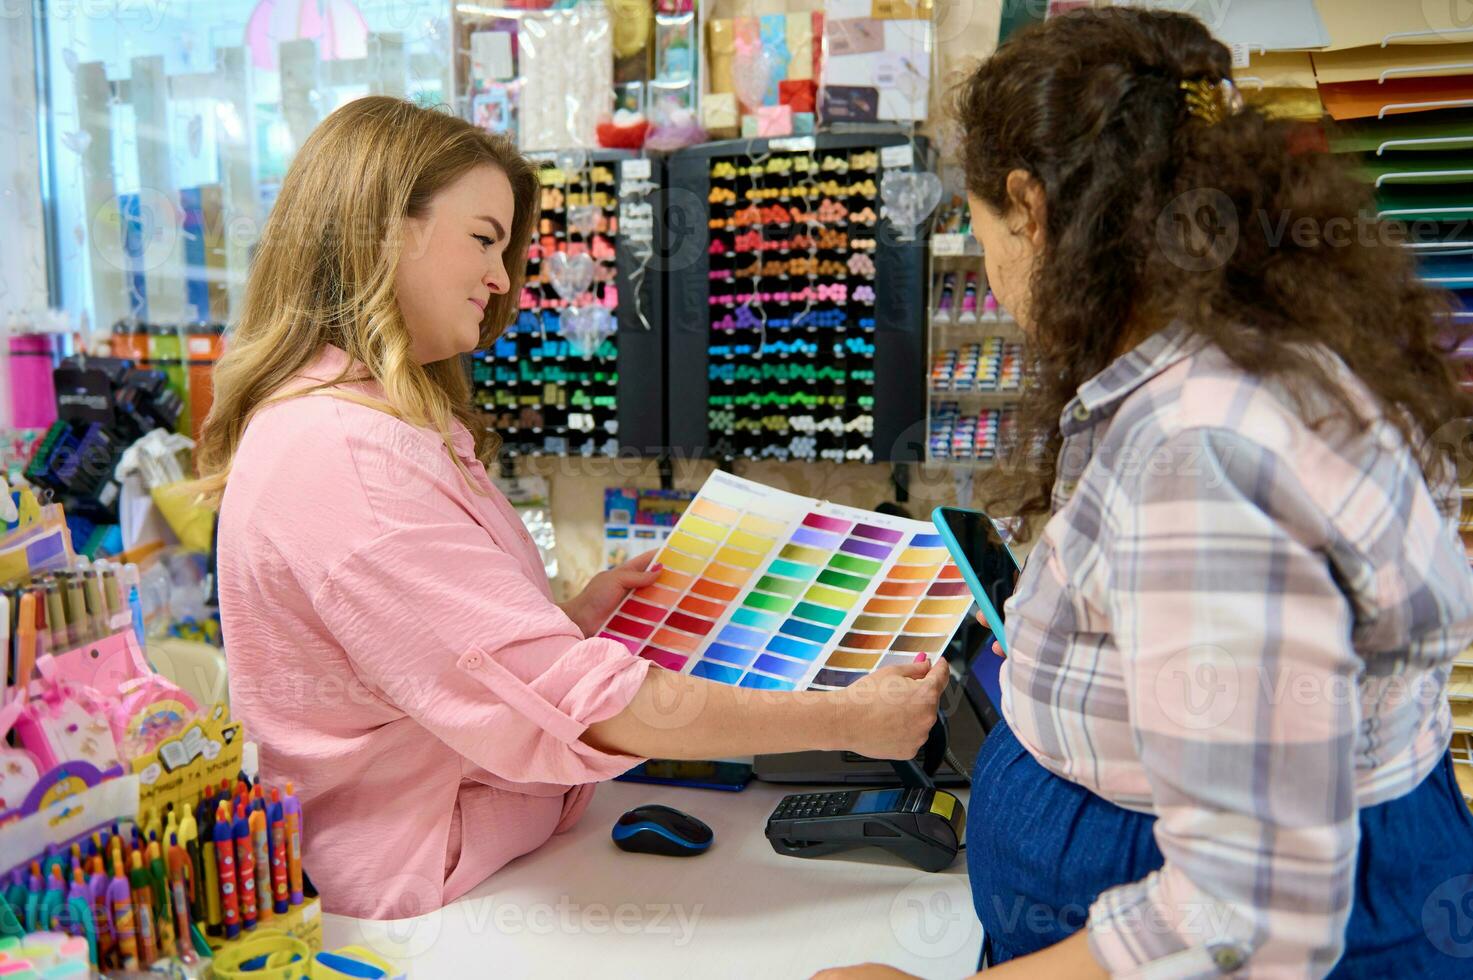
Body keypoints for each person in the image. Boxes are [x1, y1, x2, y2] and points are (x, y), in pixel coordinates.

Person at [817, 8, 1473, 979]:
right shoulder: (1281, 348)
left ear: (1031, 208)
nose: (992, 274)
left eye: (982, 227)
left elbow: (1244, 908)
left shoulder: (1198, 451)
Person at [195, 96, 948, 920]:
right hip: (427, 893)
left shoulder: (373, 420)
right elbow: (593, 708)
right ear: (382, 227)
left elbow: (413, 653)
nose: (501, 277)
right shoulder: (343, 455)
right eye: (484, 238)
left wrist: (565, 622)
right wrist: (846, 717)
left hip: (489, 850)